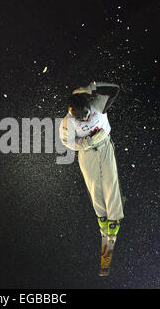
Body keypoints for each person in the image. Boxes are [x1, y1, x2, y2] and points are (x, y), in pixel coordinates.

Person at [59, 81, 125, 239]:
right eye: (82, 119)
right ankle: (101, 216)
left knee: (110, 180)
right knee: (94, 185)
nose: (86, 119)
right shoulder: (68, 123)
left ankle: (114, 218)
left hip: (104, 146)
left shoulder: (96, 103)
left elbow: (115, 90)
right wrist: (87, 142)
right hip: (87, 152)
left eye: (87, 114)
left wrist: (91, 88)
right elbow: (67, 143)